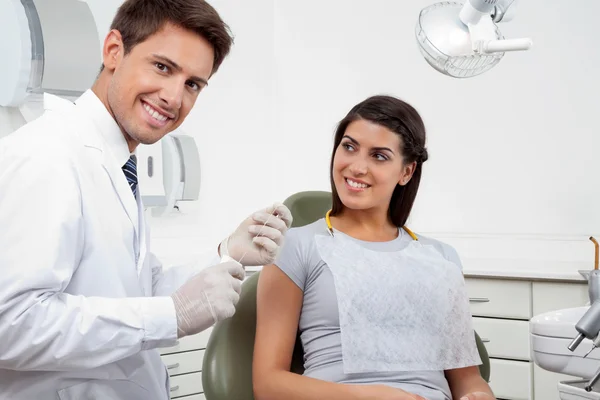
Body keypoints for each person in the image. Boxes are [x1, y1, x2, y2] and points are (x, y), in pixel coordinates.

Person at [0, 0, 292, 399]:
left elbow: (134, 289)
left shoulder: (116, 162)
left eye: (193, 84)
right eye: (163, 67)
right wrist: (170, 317)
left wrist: (227, 253)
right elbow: (11, 325)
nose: (174, 97)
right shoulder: (47, 157)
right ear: (113, 51)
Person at [253, 95, 495, 400]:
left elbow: (467, 379)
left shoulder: (441, 258)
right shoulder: (295, 247)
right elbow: (268, 385)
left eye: (379, 156)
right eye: (349, 146)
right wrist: (379, 396)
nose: (357, 167)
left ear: (406, 172)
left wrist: (478, 395)